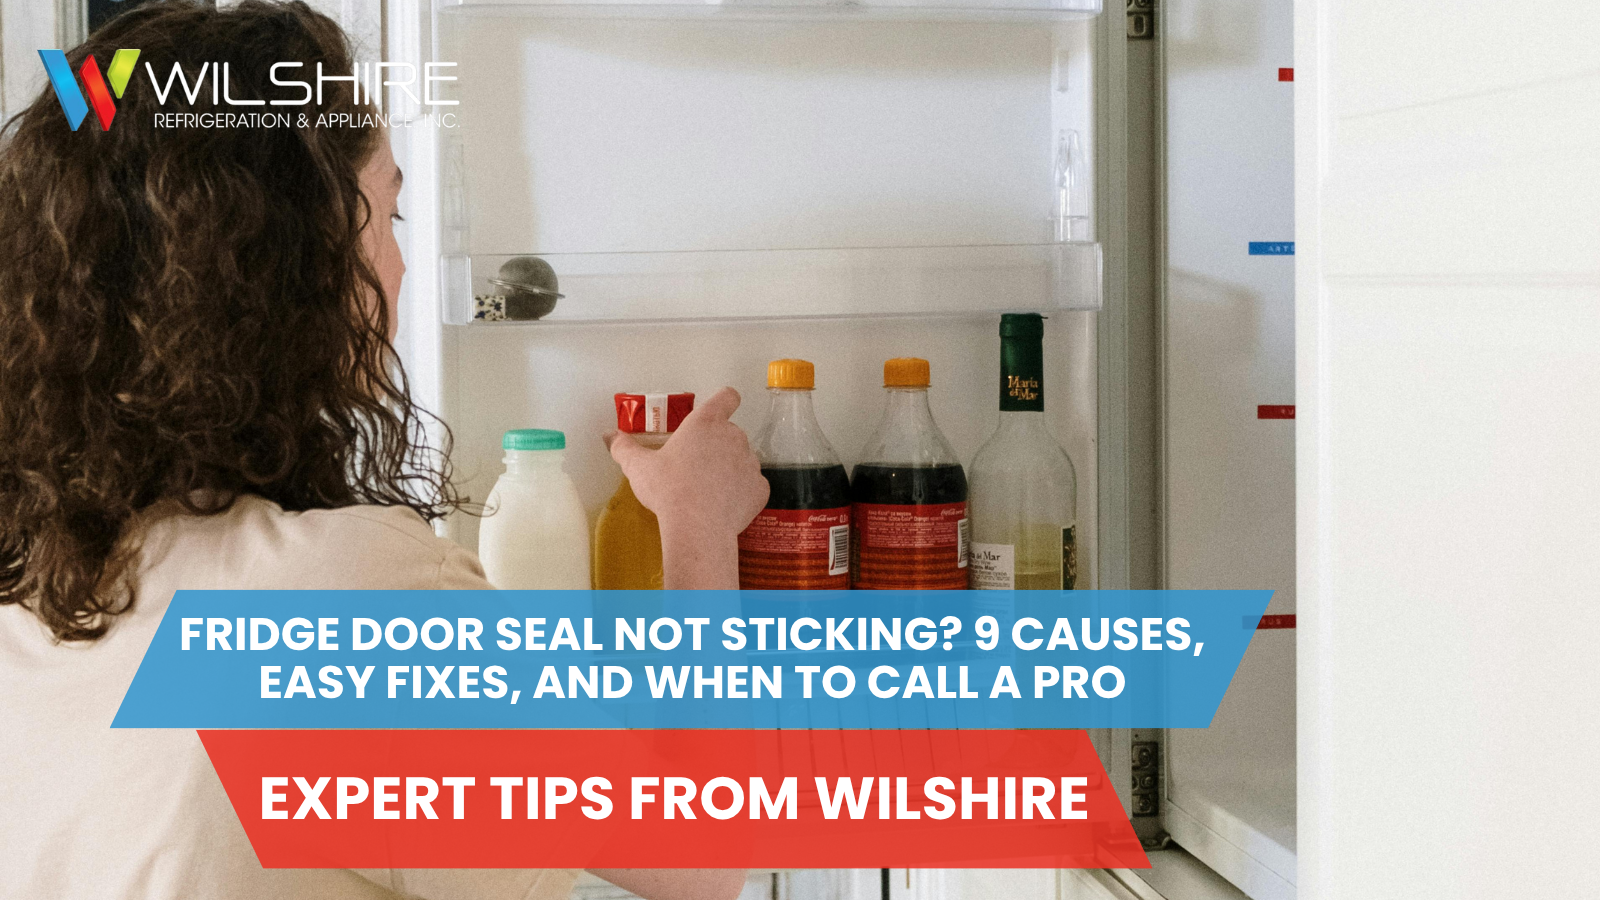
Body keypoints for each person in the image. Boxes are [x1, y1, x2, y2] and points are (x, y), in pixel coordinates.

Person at [0, 2, 766, 898]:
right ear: (296, 264)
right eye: (388, 219)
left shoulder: (34, 585)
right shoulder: (341, 599)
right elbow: (701, 857)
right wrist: (697, 523)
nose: (397, 270)